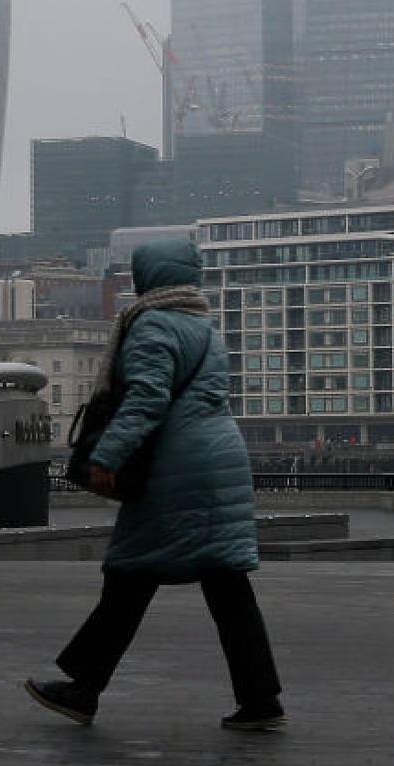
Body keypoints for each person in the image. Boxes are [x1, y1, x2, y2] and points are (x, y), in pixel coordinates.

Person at [25, 236, 284, 732]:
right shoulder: (201, 326)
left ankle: (83, 689)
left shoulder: (152, 324)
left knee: (128, 575)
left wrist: (109, 453)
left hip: (177, 467)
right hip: (218, 460)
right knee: (226, 585)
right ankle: (260, 698)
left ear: (148, 277)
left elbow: (147, 396)